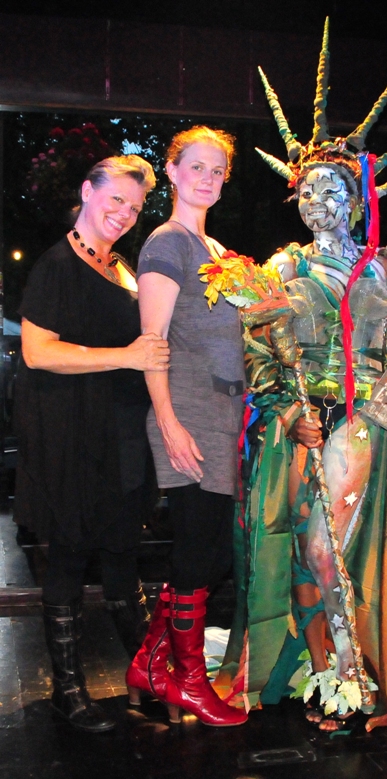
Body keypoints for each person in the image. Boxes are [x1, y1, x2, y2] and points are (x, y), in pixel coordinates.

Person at [217, 22, 387, 732]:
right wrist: (279, 406)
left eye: (332, 190)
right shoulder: (283, 267)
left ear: (357, 199)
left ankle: (352, 674)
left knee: (343, 550)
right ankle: (323, 664)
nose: (318, 202)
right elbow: (257, 350)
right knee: (307, 548)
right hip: (300, 425)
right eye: (308, 191)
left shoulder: (386, 265)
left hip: (363, 427)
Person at [14, 155, 170, 733]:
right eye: (115, 200)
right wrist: (125, 357)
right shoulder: (56, 266)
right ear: (87, 192)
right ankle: (69, 691)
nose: (124, 214)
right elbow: (38, 351)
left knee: (123, 555)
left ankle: (148, 676)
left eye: (134, 207)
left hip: (123, 433)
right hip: (70, 432)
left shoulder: (122, 267)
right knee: (71, 556)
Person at [125, 126, 248, 727]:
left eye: (217, 169)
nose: (207, 176)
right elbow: (152, 345)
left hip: (222, 418)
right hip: (189, 413)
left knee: (204, 553)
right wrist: (169, 423)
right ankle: (189, 682)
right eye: (196, 166)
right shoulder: (166, 244)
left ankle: (151, 664)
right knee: (201, 554)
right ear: (171, 172)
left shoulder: (218, 251)